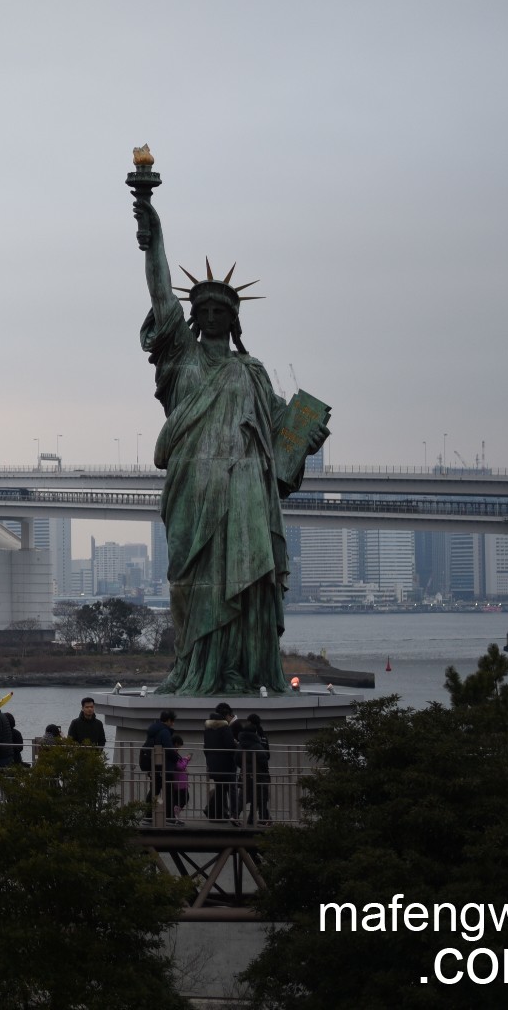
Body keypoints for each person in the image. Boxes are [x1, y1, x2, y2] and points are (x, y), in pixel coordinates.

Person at [132, 183, 327, 696]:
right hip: (192, 485)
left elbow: (283, 433)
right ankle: (191, 664)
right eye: (205, 307)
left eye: (223, 308)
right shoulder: (180, 358)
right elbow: (159, 293)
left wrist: (308, 435)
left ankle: (239, 667)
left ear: (234, 317)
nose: (213, 313)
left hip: (243, 487)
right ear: (193, 316)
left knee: (244, 577)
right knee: (188, 579)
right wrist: (154, 238)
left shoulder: (253, 371)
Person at [202, 702, 241, 821]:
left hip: (214, 765)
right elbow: (230, 746)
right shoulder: (225, 728)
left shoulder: (207, 730)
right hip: (227, 765)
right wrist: (236, 745)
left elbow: (205, 748)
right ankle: (234, 814)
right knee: (232, 789)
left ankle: (218, 814)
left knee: (219, 789)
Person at [142, 709, 177, 822]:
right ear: (168, 720)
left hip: (153, 765)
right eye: (172, 721)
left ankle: (148, 815)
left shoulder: (153, 729)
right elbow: (169, 749)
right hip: (164, 766)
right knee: (168, 790)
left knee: (154, 790)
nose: (173, 724)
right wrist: (178, 759)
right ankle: (169, 817)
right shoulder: (164, 732)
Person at [236, 713, 272, 822]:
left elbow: (237, 758)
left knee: (246, 796)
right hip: (260, 771)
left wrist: (243, 765)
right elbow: (266, 756)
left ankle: (241, 816)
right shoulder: (263, 736)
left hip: (247, 772)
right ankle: (261, 818)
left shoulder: (244, 740)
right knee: (260, 795)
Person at [168, 735, 191, 821]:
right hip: (179, 781)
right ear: (176, 744)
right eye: (180, 745)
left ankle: (175, 813)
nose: (180, 747)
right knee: (184, 797)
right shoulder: (173, 753)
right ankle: (175, 813)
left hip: (180, 780)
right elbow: (180, 766)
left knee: (181, 797)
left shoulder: (174, 753)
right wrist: (187, 759)